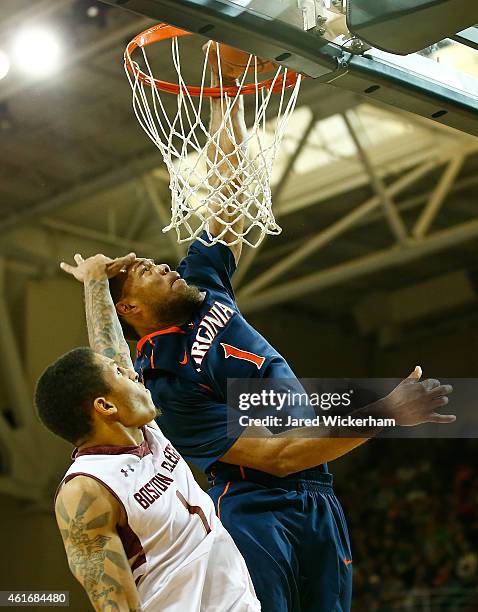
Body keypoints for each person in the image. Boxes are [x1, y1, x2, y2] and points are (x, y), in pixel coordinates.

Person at [60, 58, 455, 612]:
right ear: (129, 307)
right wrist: (385, 414)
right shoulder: (164, 383)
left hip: (318, 494)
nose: (163, 266)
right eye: (148, 270)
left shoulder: (203, 285)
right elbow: (280, 455)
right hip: (255, 506)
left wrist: (224, 97)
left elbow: (227, 195)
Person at [36, 254, 260, 612]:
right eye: (121, 374)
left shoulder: (143, 429)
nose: (134, 373)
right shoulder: (86, 490)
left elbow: (109, 348)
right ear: (106, 407)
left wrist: (95, 282)